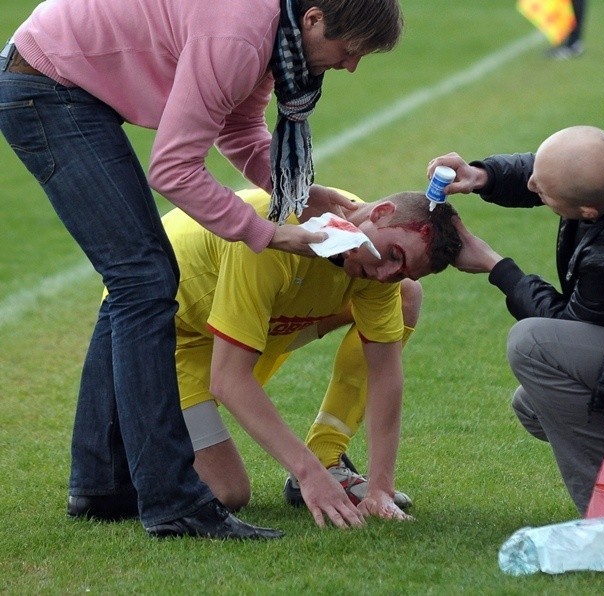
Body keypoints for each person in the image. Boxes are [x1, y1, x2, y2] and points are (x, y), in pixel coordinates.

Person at [0, 0, 403, 539]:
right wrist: (267, 231)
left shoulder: (268, 38)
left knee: (135, 280)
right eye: (348, 49)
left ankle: (99, 483)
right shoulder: (241, 37)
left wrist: (303, 196)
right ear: (312, 19)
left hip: (57, 79)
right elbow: (172, 167)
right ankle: (173, 503)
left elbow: (238, 131)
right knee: (143, 281)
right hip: (46, 84)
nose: (351, 65)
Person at [164, 187, 462, 528]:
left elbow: (385, 372)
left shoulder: (374, 254)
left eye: (401, 269)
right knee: (227, 492)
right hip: (175, 335)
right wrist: (308, 474)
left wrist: (381, 488)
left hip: (258, 323)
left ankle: (327, 452)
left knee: (405, 296)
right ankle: (127, 431)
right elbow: (228, 379)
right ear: (380, 213)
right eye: (393, 255)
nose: (385, 274)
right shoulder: (272, 233)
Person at [427, 126, 604, 513]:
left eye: (543, 192)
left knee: (532, 344)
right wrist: (484, 176)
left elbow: (566, 328)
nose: (531, 183)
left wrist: (497, 267)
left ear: (588, 214)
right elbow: (550, 169)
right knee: (533, 405)